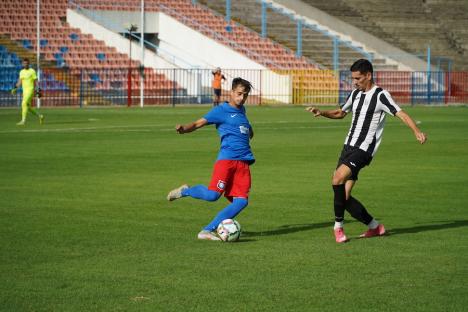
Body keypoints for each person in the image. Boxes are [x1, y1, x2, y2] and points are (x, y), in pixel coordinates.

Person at [306, 59, 427, 243]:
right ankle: (375, 227)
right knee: (343, 197)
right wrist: (321, 112)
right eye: (353, 78)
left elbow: (400, 113)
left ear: (368, 75)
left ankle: (338, 227)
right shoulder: (355, 94)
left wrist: (416, 131)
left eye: (358, 78)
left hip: (364, 150)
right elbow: (340, 113)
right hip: (348, 146)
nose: (354, 82)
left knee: (337, 178)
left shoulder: (381, 95)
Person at [167, 77, 254, 241]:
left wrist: (249, 131)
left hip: (243, 163)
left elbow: (245, 127)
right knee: (213, 195)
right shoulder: (220, 111)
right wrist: (184, 129)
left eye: (245, 95)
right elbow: (198, 123)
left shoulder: (242, 111)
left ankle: (207, 230)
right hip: (226, 161)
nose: (242, 98)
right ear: (231, 92)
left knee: (242, 201)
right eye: (239, 94)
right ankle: (185, 191)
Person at [11, 58, 44, 126]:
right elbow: (19, 81)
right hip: (25, 92)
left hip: (30, 90)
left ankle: (23, 121)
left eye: (26, 63)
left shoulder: (32, 71)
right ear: (22, 64)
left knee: (23, 103)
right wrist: (15, 88)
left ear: (29, 64)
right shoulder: (21, 72)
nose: (25, 64)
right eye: (24, 63)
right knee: (27, 107)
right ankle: (40, 116)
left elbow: (36, 81)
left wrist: (38, 89)